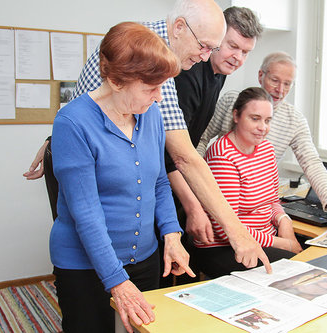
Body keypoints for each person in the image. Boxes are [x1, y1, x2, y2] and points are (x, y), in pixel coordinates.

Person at [23, 0, 272, 274]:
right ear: (179, 27)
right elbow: (183, 156)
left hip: (118, 161)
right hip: (92, 163)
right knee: (91, 257)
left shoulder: (174, 64)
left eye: (211, 49)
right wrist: (236, 232)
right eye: (204, 46)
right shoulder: (149, 55)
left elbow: (164, 168)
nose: (204, 57)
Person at [50, 22, 194, 333]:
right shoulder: (73, 123)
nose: (158, 98)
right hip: (84, 264)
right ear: (116, 81)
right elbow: (86, 214)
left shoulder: (150, 114)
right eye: (150, 88)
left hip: (144, 256)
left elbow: (158, 182)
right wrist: (117, 282)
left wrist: (171, 233)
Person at [197, 52, 327, 237]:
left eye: (288, 84)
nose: (280, 90)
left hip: (260, 210)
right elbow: (201, 138)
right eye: (275, 80)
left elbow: (311, 162)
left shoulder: (294, 121)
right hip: (224, 201)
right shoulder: (233, 103)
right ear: (261, 75)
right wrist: (196, 188)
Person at [169, 5, 262, 247]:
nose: (238, 58)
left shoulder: (219, 71)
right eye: (233, 46)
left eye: (246, 52)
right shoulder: (189, 72)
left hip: (180, 174)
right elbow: (171, 155)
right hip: (164, 177)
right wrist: (194, 207)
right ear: (217, 36)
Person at [194, 87, 303, 279]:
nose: (263, 127)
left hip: (265, 238)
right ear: (236, 116)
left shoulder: (266, 150)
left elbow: (272, 200)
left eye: (267, 121)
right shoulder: (222, 155)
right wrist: (283, 243)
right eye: (255, 118)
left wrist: (284, 222)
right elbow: (225, 226)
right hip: (227, 245)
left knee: (308, 264)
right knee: (296, 272)